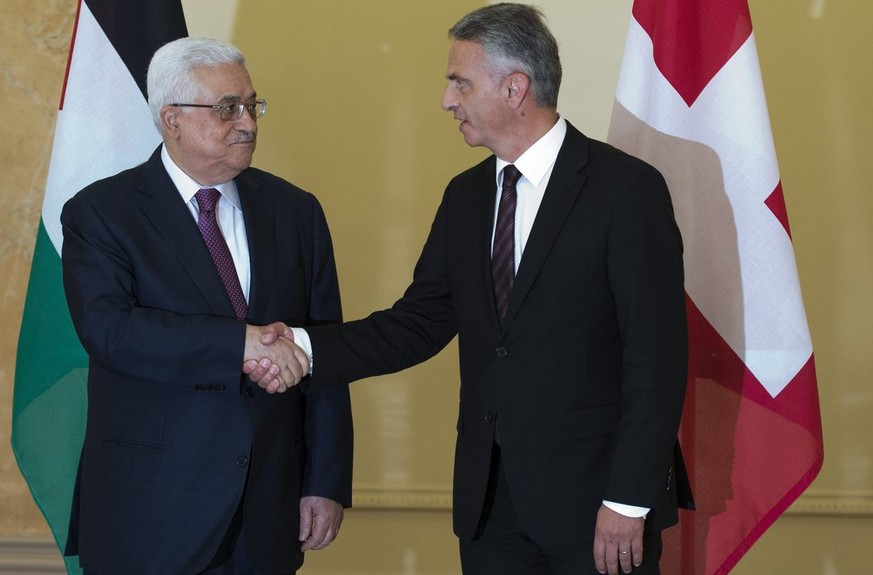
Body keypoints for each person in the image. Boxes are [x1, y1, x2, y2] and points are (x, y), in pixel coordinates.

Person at [251, 3, 693, 574]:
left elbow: (656, 359)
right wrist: (303, 347)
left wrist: (629, 500)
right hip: (490, 511)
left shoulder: (626, 191)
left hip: (598, 506)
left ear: (515, 88)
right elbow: (418, 323)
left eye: (459, 82)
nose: (446, 100)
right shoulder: (466, 196)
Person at [61, 37, 352, 575]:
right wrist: (239, 343)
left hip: (267, 510)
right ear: (171, 119)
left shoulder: (296, 211)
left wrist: (325, 482)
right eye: (227, 108)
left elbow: (324, 350)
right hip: (149, 512)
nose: (248, 123)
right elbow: (110, 331)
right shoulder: (102, 213)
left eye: (252, 105)